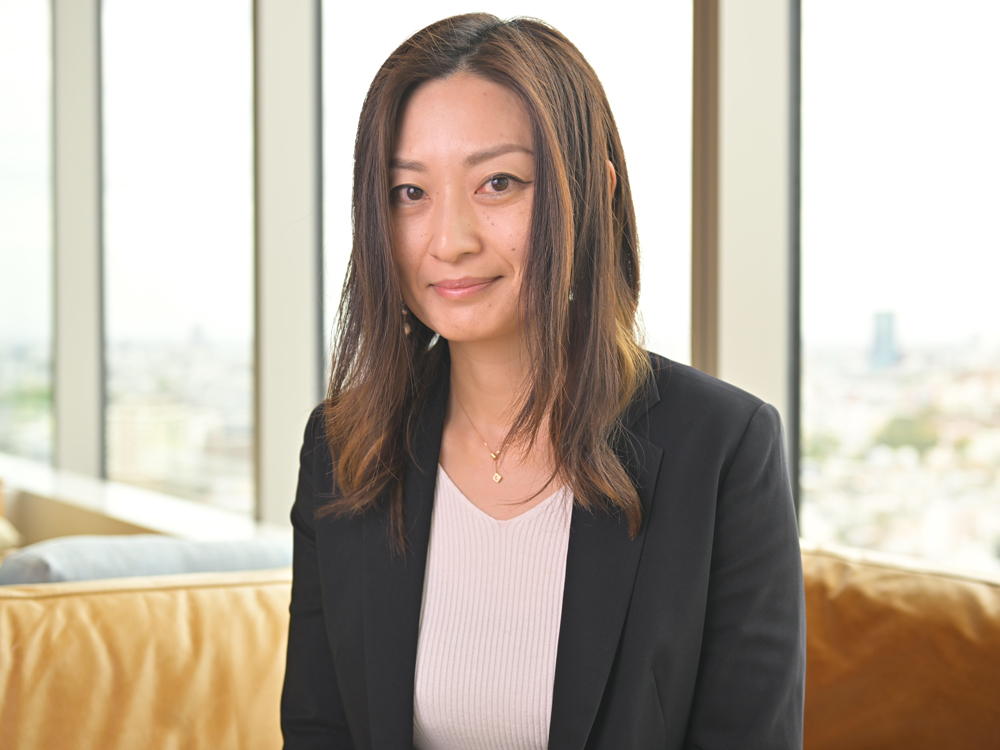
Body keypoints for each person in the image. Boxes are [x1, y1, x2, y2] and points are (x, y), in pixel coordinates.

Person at [281, 13, 805, 750]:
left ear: (593, 191)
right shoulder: (344, 448)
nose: (449, 239)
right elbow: (320, 731)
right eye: (409, 192)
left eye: (497, 183)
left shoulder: (721, 450)